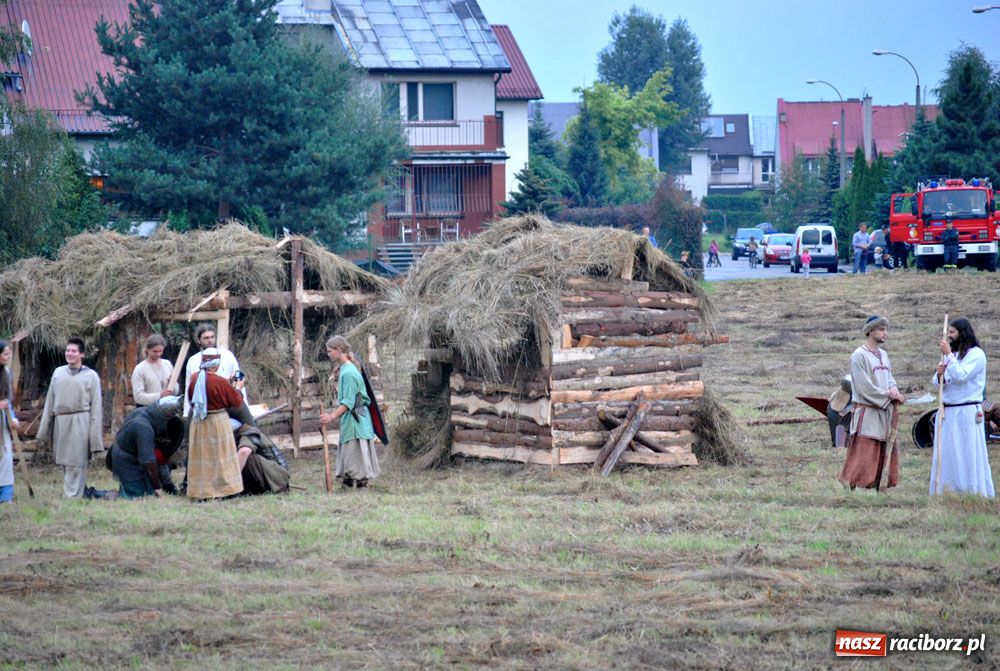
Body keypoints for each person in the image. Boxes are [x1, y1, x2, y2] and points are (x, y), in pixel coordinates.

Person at [838, 316, 906, 491]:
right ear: (870, 331)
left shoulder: (883, 355)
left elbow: (889, 378)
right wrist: (887, 396)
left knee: (883, 448)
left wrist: (895, 392)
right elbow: (863, 386)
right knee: (865, 450)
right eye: (882, 329)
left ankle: (879, 485)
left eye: (885, 329)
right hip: (867, 412)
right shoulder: (858, 356)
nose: (886, 333)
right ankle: (853, 486)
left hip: (884, 412)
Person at [929, 318, 995, 497]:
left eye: (952, 332)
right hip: (948, 410)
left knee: (967, 451)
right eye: (949, 332)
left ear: (962, 333)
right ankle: (948, 490)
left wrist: (949, 356)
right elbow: (939, 383)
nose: (949, 336)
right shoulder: (955, 355)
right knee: (949, 451)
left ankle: (972, 490)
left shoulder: (976, 354)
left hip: (967, 411)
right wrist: (940, 373)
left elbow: (962, 376)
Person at [37, 338, 104, 499]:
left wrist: (94, 436)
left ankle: (72, 497)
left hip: (81, 420)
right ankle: (74, 492)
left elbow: (96, 407)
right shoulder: (58, 373)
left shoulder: (91, 376)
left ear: (82, 354)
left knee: (76, 460)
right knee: (65, 461)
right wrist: (44, 429)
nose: (70, 353)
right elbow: (50, 402)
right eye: (68, 350)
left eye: (73, 351)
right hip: (61, 422)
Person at [186, 348, 248, 500]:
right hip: (217, 422)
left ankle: (201, 491)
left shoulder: (195, 378)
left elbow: (191, 398)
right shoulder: (218, 381)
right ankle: (223, 491)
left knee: (202, 457)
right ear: (216, 364)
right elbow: (236, 401)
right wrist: (238, 388)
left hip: (199, 422)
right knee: (220, 457)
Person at [320, 336, 380, 489]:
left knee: (356, 450)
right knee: (349, 450)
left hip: (356, 419)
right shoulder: (345, 369)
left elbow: (348, 402)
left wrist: (331, 416)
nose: (328, 354)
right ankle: (348, 482)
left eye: (330, 351)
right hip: (352, 419)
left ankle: (361, 484)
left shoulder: (349, 373)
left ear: (339, 350)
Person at [109, 396, 184, 498]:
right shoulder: (144, 428)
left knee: (149, 491)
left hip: (135, 457)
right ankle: (97, 494)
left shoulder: (143, 413)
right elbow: (148, 462)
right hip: (125, 460)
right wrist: (157, 488)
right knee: (138, 495)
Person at [184, 324, 245, 417]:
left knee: (249, 426)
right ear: (198, 340)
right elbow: (189, 387)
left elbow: (238, 376)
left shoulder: (227, 355)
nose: (210, 340)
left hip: (227, 401)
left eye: (212, 337)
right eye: (206, 338)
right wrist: (186, 412)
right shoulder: (193, 361)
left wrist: (234, 383)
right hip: (203, 405)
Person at [131, 334, 177, 406]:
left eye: (160, 351)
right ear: (147, 350)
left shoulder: (167, 364)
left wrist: (173, 383)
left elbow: (175, 392)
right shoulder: (140, 369)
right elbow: (138, 397)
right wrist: (159, 395)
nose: (158, 354)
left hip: (167, 410)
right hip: (149, 412)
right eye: (155, 351)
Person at [0, 339, 20, 503]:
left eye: (9, 353)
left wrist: (13, 418)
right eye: (5, 353)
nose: (8, 356)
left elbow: (8, 401)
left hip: (3, 419)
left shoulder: (7, 373)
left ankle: (6, 496)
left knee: (6, 457)